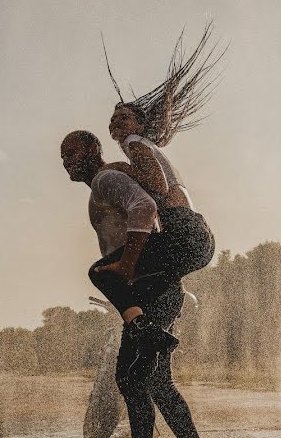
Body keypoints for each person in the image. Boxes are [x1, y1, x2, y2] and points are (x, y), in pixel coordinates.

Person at [61, 131, 222, 438]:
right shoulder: (103, 184)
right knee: (157, 383)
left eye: (72, 151)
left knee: (131, 378)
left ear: (93, 150)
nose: (65, 159)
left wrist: (128, 267)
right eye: (62, 155)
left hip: (149, 291)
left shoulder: (105, 180)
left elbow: (145, 208)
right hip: (161, 289)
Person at [89, 23, 223, 340]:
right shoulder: (146, 146)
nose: (116, 121)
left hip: (183, 233)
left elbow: (157, 185)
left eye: (124, 116)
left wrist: (121, 166)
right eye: (113, 117)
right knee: (148, 290)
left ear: (139, 124)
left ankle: (146, 330)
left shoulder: (136, 143)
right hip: (199, 239)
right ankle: (161, 329)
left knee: (102, 273)